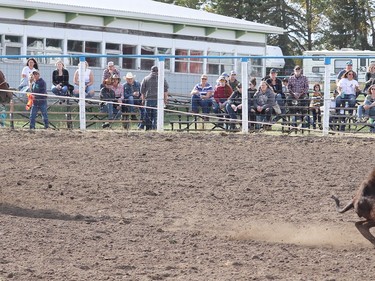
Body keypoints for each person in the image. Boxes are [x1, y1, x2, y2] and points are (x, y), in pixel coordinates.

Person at [140, 65, 169, 130]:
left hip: (148, 99)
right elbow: (166, 90)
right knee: (156, 116)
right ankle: (155, 128)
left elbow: (142, 91)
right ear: (158, 71)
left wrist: (143, 100)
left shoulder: (146, 78)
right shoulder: (161, 79)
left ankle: (148, 129)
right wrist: (165, 99)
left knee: (148, 115)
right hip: (158, 100)